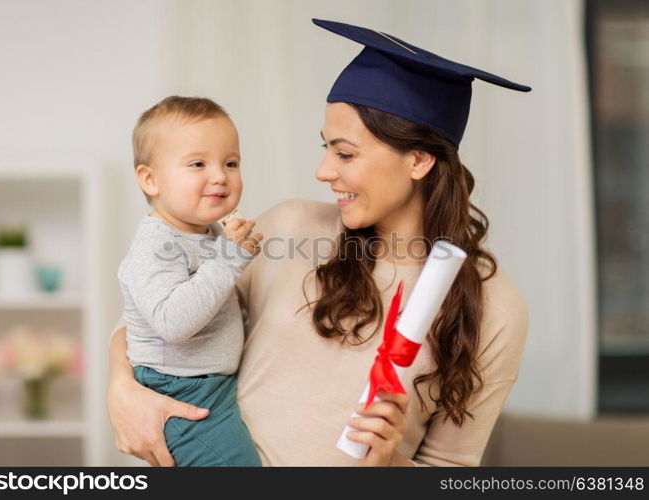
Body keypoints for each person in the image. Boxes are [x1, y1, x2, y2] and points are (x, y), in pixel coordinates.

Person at [106, 19, 531, 466]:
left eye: (345, 153)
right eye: (326, 147)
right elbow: (152, 317)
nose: (323, 171)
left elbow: (451, 468)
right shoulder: (289, 230)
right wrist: (121, 388)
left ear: (419, 160)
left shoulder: (494, 306)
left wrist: (390, 464)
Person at [117, 96, 263, 466]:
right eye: (198, 164)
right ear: (151, 179)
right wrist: (229, 260)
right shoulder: (156, 245)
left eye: (231, 163)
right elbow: (173, 322)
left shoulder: (209, 233)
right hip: (180, 389)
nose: (220, 176)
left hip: (209, 383)